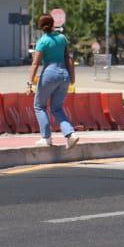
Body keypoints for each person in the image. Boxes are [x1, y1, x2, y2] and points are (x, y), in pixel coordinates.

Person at [27, 14, 79, 149]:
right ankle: (70, 134)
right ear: (53, 24)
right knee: (57, 108)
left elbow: (35, 63)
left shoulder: (42, 41)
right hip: (64, 75)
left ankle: (46, 138)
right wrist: (72, 77)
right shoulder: (62, 38)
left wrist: (29, 82)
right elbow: (68, 58)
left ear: (41, 26)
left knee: (39, 106)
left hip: (49, 73)